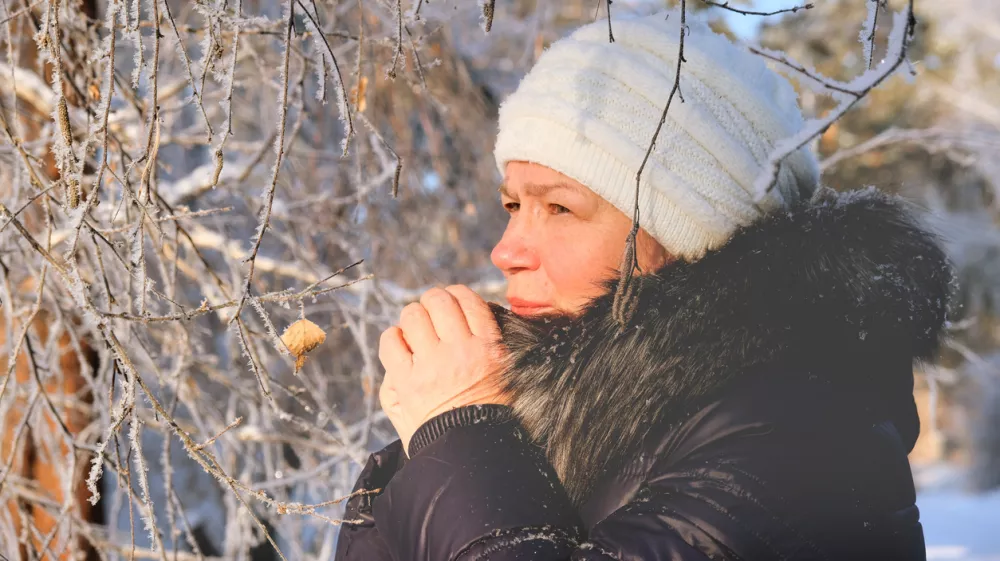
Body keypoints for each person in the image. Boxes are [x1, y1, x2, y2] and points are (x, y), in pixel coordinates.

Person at [333, 11, 952, 561]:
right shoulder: (570, 411)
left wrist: (460, 433)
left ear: (689, 234)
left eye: (559, 209)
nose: (506, 250)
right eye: (511, 204)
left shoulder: (802, 433)